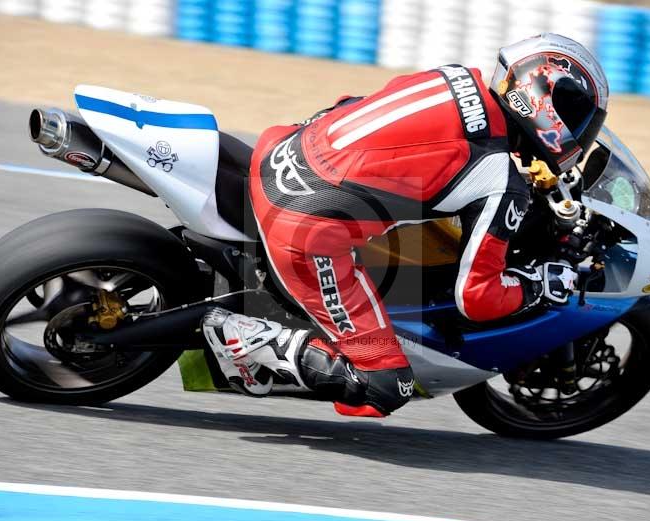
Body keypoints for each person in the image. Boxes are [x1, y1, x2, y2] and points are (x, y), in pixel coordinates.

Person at [202, 33, 609, 417]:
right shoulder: (499, 179)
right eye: (578, 118)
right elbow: (476, 298)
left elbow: (351, 104)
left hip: (282, 150)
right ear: (545, 102)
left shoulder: (456, 78)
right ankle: (239, 334)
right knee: (387, 384)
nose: (580, 131)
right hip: (303, 225)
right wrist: (540, 284)